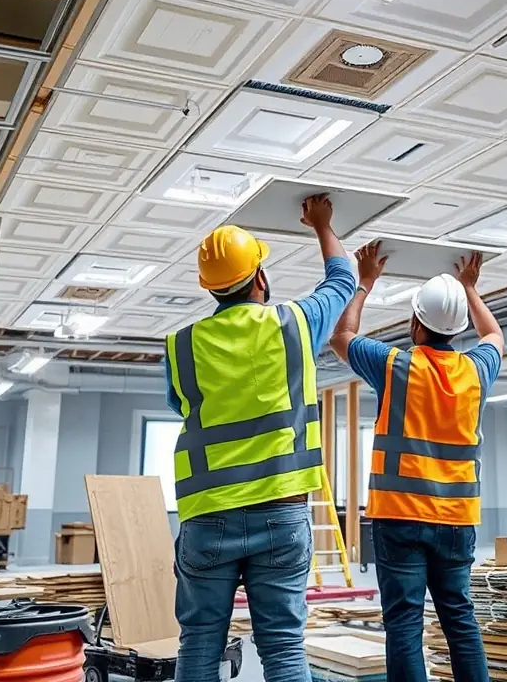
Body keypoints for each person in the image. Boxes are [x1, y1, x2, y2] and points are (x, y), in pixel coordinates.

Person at [164, 195, 355, 682]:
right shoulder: (294, 324)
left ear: (210, 289)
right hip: (281, 511)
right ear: (261, 278)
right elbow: (343, 279)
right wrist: (322, 225)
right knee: (285, 649)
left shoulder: (182, 344)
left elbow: (181, 405)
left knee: (199, 645)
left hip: (208, 517)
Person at [329, 244, 503, 682]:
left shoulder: (395, 365)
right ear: (458, 328)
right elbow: (495, 337)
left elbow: (341, 337)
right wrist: (471, 289)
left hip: (400, 517)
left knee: (404, 623)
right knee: (460, 620)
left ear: (414, 323)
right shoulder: (475, 371)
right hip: (457, 520)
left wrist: (365, 280)